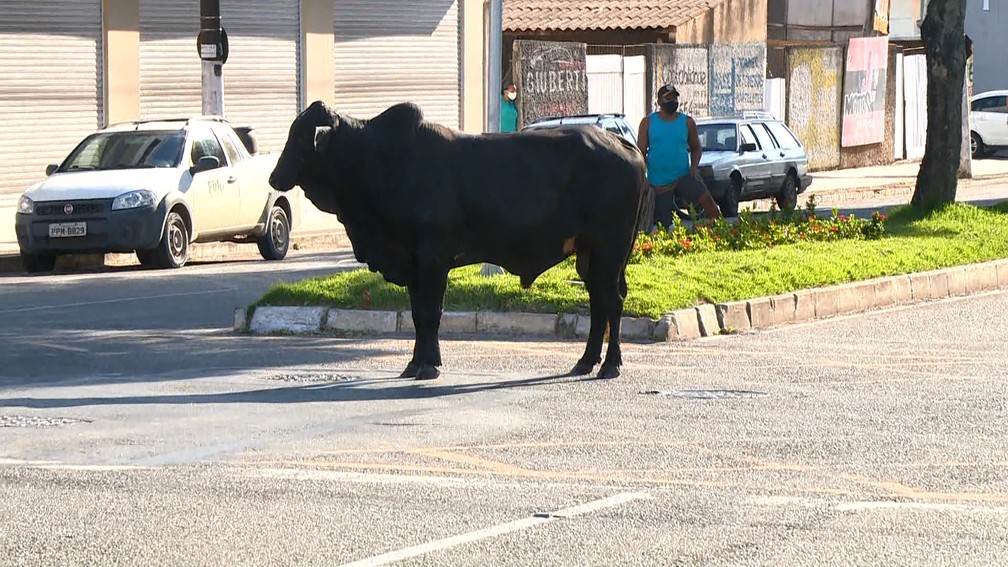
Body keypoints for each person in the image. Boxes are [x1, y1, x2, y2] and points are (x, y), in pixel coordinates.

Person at [637, 84, 722, 227]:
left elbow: (696, 148)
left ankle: (717, 233)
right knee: (664, 225)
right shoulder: (647, 123)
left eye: (675, 98)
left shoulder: (687, 122)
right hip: (659, 184)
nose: (673, 101)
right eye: (668, 98)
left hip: (683, 177)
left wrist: (694, 167)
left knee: (708, 202)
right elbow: (640, 153)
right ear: (659, 102)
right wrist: (644, 179)